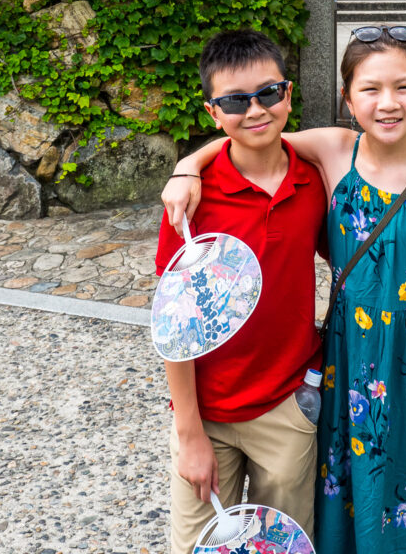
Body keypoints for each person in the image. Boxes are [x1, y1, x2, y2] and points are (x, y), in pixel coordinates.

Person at [164, 24, 406, 553]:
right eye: (370, 89)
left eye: (404, 87)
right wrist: (189, 165)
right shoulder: (336, 153)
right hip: (347, 374)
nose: (388, 103)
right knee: (347, 506)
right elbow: (250, 133)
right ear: (347, 98)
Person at [155, 29, 327, 554]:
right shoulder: (190, 207)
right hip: (208, 407)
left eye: (268, 94)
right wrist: (189, 435)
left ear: (289, 94)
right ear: (213, 112)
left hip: (285, 404)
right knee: (195, 544)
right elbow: (174, 329)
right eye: (234, 101)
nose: (255, 110)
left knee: (288, 544)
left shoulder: (314, 183)